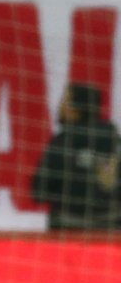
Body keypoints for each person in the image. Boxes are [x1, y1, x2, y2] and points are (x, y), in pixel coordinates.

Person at [32, 83, 121, 230]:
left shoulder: (62, 142)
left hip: (69, 229)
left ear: (76, 108)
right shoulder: (115, 141)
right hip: (112, 229)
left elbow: (40, 191)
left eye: (65, 101)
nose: (60, 107)